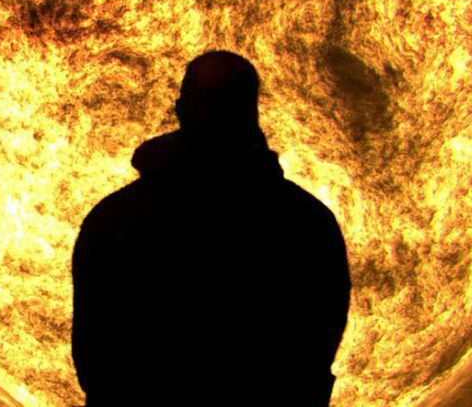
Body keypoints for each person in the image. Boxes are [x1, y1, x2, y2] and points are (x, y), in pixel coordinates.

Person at [71, 50, 351, 407]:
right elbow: (314, 357)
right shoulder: (310, 225)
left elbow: (93, 363)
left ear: (181, 109)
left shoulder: (112, 220)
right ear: (252, 111)